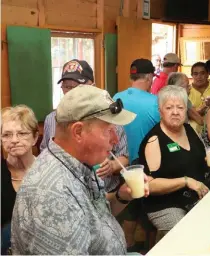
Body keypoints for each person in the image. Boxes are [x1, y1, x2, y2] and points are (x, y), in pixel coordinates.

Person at [11, 85, 149, 254]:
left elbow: (96, 218)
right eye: (108, 130)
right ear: (78, 132)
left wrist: (121, 196)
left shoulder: (80, 164)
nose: (115, 139)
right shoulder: (52, 195)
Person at [138, 85, 210, 238]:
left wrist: (209, 160)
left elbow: (199, 158)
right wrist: (185, 181)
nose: (175, 112)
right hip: (166, 204)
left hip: (196, 194)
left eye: (180, 107)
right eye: (169, 108)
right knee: (187, 235)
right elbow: (149, 186)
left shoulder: (189, 129)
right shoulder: (155, 140)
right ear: (160, 111)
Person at [40, 59, 129, 192]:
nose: (70, 92)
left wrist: (112, 165)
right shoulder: (51, 119)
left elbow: (124, 157)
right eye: (67, 87)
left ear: (93, 86)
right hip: (69, 192)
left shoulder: (109, 117)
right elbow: (45, 154)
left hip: (106, 191)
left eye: (77, 87)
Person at [1, 105, 38, 255]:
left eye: (22, 133)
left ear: (35, 138)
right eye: (7, 135)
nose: (14, 140)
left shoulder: (48, 171)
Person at [113, 59, 160, 163]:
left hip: (119, 163)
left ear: (131, 78)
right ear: (149, 77)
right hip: (145, 163)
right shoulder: (156, 102)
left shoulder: (116, 98)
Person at [189, 62, 210, 133]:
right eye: (195, 74)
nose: (199, 77)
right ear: (192, 75)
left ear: (207, 74)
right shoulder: (187, 91)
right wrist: (197, 112)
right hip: (193, 132)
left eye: (202, 73)